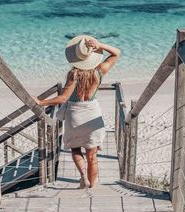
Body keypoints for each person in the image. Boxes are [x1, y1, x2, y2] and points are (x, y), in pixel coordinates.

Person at [34, 35, 120, 190]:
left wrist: (41, 102)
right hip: (93, 114)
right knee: (92, 155)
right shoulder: (99, 71)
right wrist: (100, 45)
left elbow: (63, 98)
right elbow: (116, 53)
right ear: (92, 57)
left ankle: (83, 178)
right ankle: (92, 186)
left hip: (75, 115)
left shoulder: (73, 74)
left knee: (75, 148)